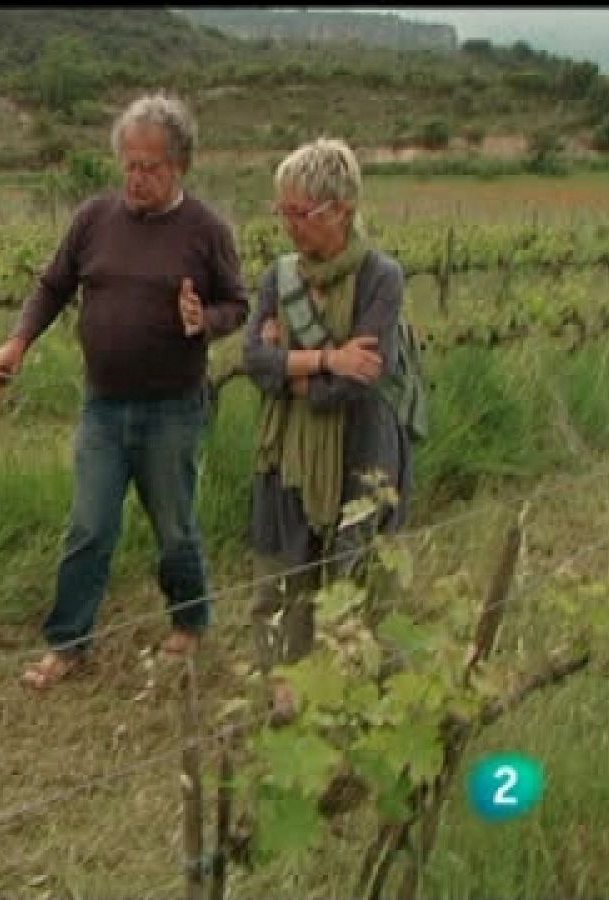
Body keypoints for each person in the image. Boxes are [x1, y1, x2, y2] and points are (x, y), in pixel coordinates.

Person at [0, 91, 250, 690]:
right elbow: (52, 287)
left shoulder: (207, 231)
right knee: (89, 526)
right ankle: (68, 643)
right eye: (129, 164)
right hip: (103, 406)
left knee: (175, 527)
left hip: (173, 409)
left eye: (150, 167)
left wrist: (202, 321)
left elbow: (238, 304)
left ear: (180, 164)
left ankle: (188, 622)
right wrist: (17, 342)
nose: (137, 178)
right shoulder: (92, 219)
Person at [240, 137, 413, 718]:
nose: (288, 225)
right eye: (282, 211)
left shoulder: (381, 277)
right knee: (279, 576)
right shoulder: (278, 276)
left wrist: (288, 367)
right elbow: (251, 361)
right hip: (286, 454)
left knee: (354, 572)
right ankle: (282, 698)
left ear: (339, 209)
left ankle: (350, 699)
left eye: (299, 213)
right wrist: (325, 360)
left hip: (361, 449)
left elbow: (357, 384)